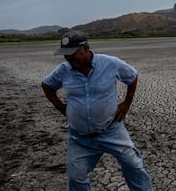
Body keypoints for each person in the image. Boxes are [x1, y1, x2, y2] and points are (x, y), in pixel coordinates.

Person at [41, 31, 153, 191]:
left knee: (134, 165)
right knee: (75, 178)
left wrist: (126, 104)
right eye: (65, 55)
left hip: (111, 130)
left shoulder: (110, 63)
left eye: (72, 54)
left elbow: (132, 76)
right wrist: (61, 107)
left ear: (86, 48)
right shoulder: (64, 70)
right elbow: (47, 85)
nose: (68, 59)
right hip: (79, 137)